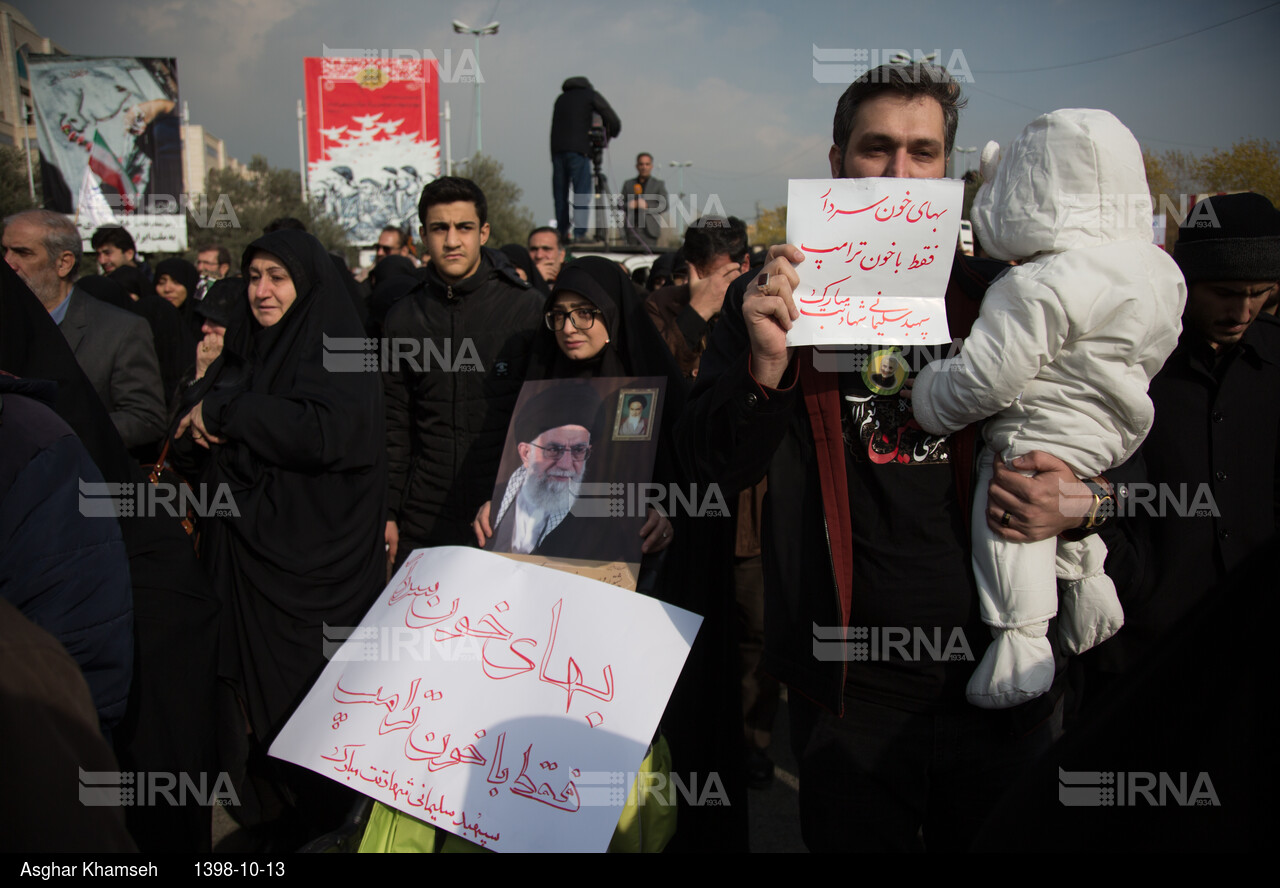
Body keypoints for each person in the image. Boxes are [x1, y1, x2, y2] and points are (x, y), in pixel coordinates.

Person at [675, 62, 1114, 852]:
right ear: (837, 161)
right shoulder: (773, 299)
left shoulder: (1002, 298)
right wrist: (766, 368)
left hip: (999, 669)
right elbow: (711, 467)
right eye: (877, 149)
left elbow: (1117, 441)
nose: (899, 174)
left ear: (949, 169)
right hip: (848, 688)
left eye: (923, 152)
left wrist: (1085, 503)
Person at [909, 110, 1185, 708]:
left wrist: (930, 394)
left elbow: (985, 379)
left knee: (1007, 510)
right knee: (1056, 500)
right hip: (1114, 428)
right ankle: (1087, 583)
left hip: (1041, 425)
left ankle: (1021, 641)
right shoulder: (1158, 271)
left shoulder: (1034, 285)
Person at [173, 229, 387, 845]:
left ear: (308, 285)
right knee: (249, 726)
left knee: (313, 712)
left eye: (278, 278)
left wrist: (228, 416)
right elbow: (193, 427)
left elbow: (327, 432)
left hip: (315, 570)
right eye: (255, 276)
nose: (262, 291)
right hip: (245, 564)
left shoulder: (341, 348)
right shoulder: (250, 348)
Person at [1085, 192, 1280, 688]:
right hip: (1139, 650)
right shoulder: (1131, 359)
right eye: (1224, 291)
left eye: (1260, 292)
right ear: (1185, 280)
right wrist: (1132, 578)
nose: (1242, 310)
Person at [383, 177, 544, 570]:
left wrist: (517, 496)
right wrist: (387, 510)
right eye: (440, 228)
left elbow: (545, 418)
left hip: (504, 513)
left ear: (484, 232)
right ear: (422, 235)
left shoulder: (526, 310)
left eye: (464, 227)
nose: (452, 240)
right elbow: (393, 424)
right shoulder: (402, 316)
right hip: (423, 515)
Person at [3, 210, 165, 451]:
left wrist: (55, 430)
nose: (8, 263)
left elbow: (145, 419)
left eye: (23, 253)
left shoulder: (120, 330)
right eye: (3, 251)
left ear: (63, 263)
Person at [646, 215, 750, 379]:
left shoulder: (757, 306)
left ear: (744, 265)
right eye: (703, 277)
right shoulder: (660, 304)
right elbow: (653, 370)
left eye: (719, 277)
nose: (709, 287)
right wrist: (697, 313)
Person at [550, 77, 620, 243]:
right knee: (581, 193)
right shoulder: (590, 95)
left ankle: (561, 233)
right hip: (579, 151)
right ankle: (579, 234)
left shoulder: (560, 99)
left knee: (560, 195)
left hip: (557, 151)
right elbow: (614, 120)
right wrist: (610, 134)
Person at [620, 153, 669, 248]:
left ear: (651, 166)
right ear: (637, 166)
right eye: (641, 164)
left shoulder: (658, 184)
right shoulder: (628, 184)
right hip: (631, 230)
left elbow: (664, 205)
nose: (644, 167)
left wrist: (647, 205)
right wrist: (629, 205)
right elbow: (619, 204)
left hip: (649, 231)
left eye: (647, 164)